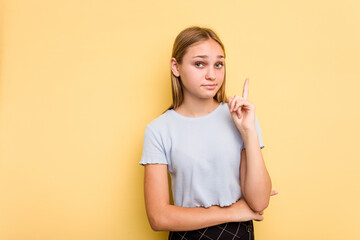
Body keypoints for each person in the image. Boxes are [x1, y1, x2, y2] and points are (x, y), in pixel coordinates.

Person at [139, 26, 277, 240]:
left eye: (218, 64)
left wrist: (249, 133)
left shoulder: (240, 118)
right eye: (199, 64)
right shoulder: (159, 130)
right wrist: (234, 211)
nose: (212, 74)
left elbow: (258, 203)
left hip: (238, 234)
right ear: (176, 67)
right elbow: (158, 217)